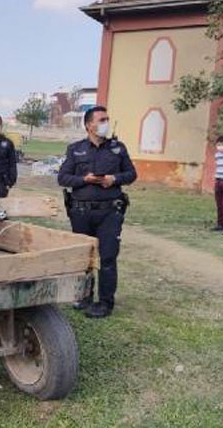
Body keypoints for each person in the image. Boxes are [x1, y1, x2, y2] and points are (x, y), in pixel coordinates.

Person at [58, 106, 137, 318]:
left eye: (107, 119)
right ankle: (84, 296)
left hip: (109, 213)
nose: (106, 123)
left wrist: (114, 179)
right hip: (81, 212)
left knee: (108, 257)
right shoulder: (75, 149)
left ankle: (105, 302)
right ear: (89, 125)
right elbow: (63, 178)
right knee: (84, 257)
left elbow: (131, 174)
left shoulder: (118, 148)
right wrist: (84, 179)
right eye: (102, 120)